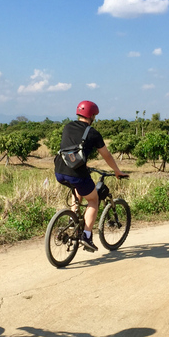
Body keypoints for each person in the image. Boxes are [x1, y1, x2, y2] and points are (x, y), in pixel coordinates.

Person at [54, 100, 127, 251]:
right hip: (76, 173)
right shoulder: (93, 133)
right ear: (92, 115)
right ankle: (86, 236)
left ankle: (72, 218)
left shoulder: (67, 126)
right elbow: (106, 155)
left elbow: (70, 148)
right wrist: (117, 171)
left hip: (60, 170)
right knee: (93, 199)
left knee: (77, 189)